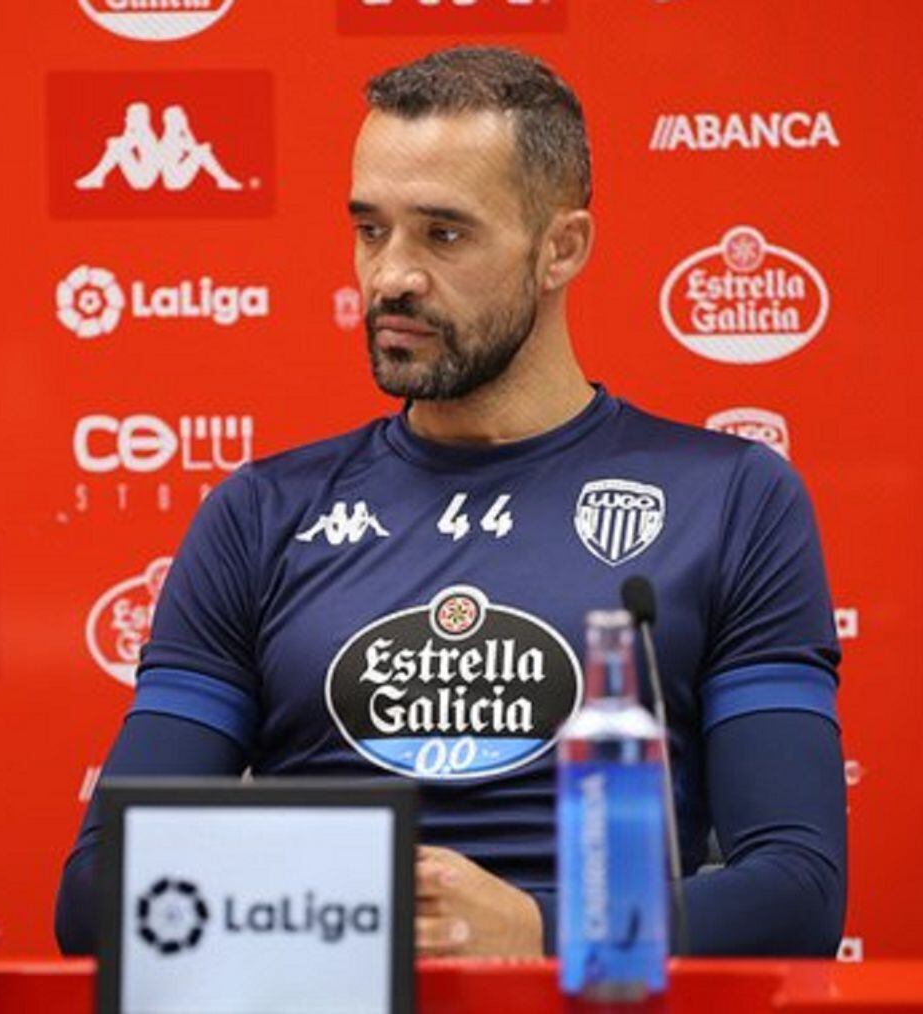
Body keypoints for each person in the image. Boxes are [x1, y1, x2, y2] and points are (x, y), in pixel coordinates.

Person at [56, 46, 846, 959]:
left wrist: (540, 928)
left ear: (562, 249)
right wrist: (360, 910)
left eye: (443, 234)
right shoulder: (260, 513)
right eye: (370, 229)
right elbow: (96, 893)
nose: (390, 277)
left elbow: (798, 894)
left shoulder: (732, 497)